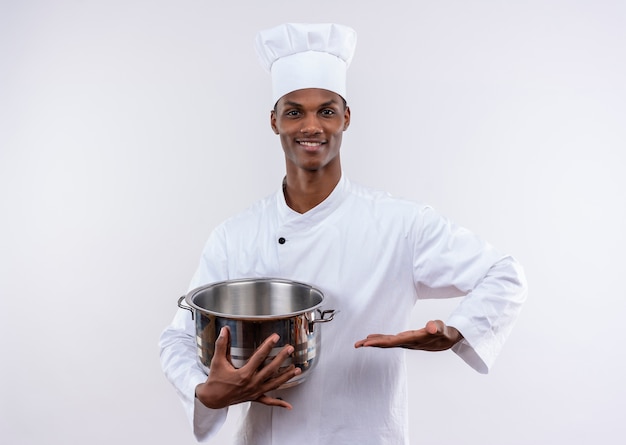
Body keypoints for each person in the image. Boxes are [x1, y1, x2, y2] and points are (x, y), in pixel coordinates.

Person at [159, 22, 527, 444]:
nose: (311, 126)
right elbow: (178, 337)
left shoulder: (400, 224)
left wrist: (457, 331)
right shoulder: (235, 235)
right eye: (294, 111)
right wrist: (205, 391)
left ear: (346, 117)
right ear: (274, 120)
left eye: (326, 110)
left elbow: (505, 274)